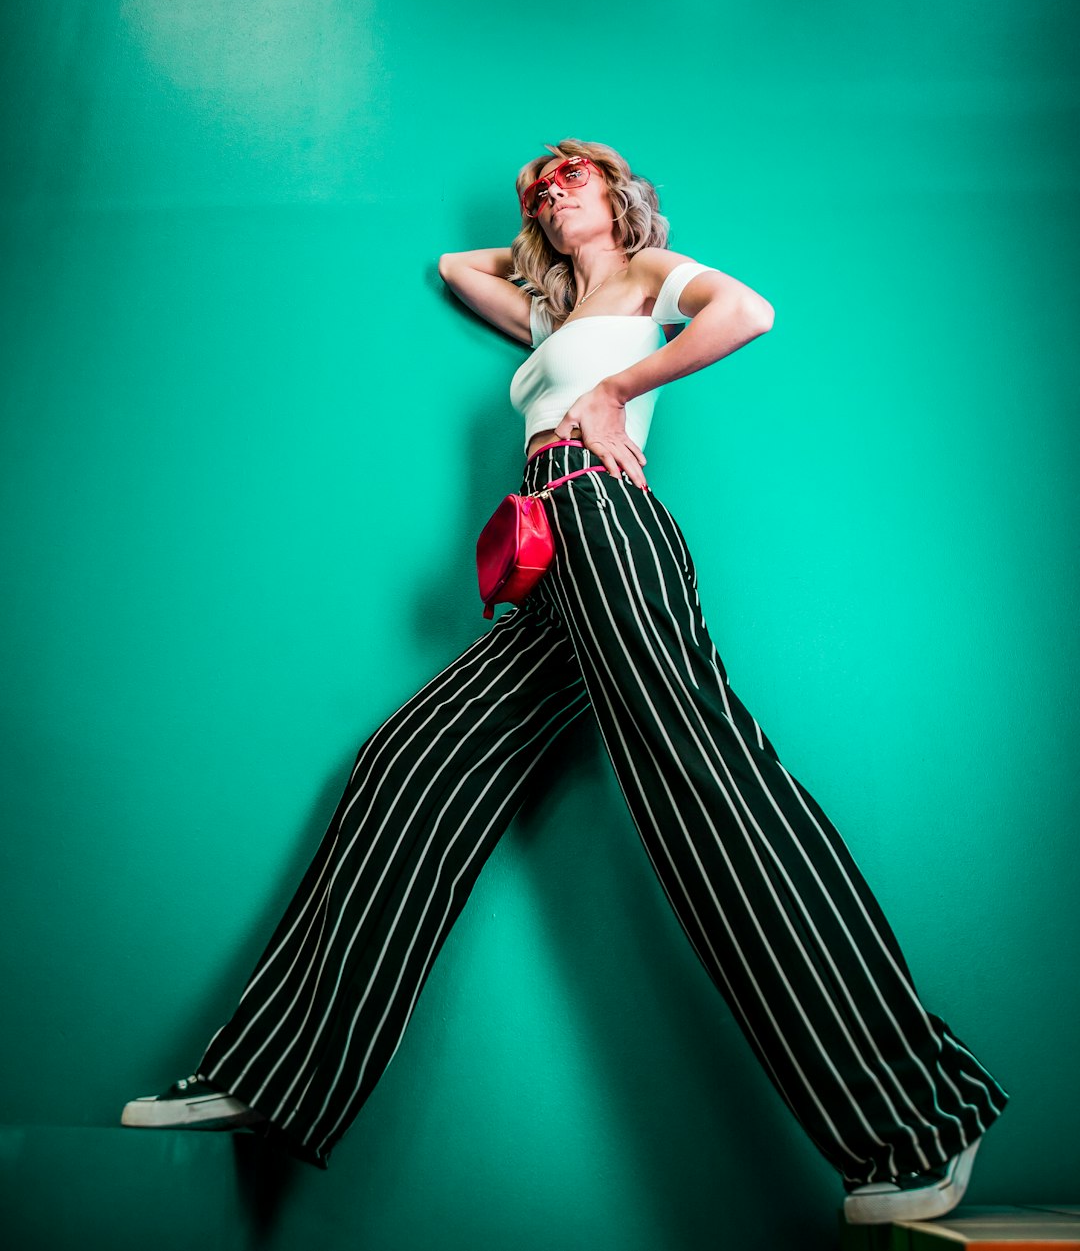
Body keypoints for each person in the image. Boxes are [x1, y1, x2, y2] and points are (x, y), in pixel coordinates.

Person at [121, 139, 1009, 1225]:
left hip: (607, 517)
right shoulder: (549, 315)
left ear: (624, 193)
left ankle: (917, 1118)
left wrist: (618, 382)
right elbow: (459, 267)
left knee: (704, 790)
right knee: (410, 762)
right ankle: (270, 1074)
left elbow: (750, 313)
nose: (553, 185)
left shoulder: (645, 282)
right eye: (541, 182)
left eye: (574, 172)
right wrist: (543, 241)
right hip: (547, 560)